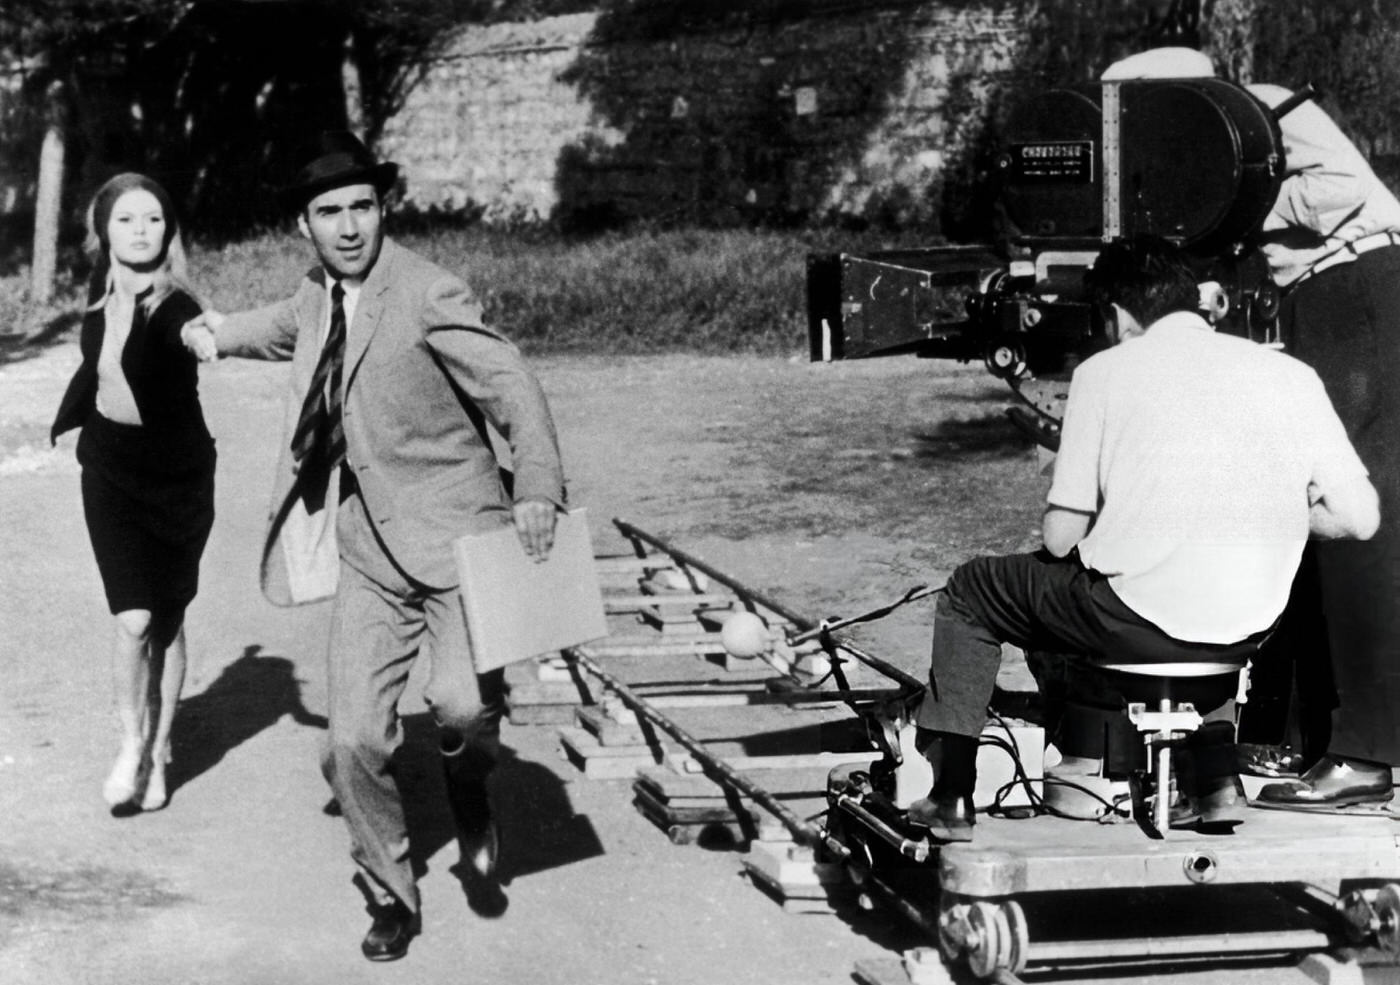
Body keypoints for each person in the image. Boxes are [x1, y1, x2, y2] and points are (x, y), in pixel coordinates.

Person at [180, 131, 566, 961]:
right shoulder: (319, 294)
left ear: (382, 208)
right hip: (369, 551)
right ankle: (392, 889)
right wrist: (213, 332)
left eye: (362, 207)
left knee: (461, 709)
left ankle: (468, 783)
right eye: (330, 213)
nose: (350, 226)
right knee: (352, 738)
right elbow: (285, 326)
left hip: (460, 538)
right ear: (303, 226)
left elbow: (511, 382)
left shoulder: (427, 291)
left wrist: (535, 485)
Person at [907, 236, 1379, 842]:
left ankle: (950, 795)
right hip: (1250, 627)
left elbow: (1059, 539)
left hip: (1136, 620)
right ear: (1197, 303)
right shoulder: (1290, 373)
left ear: (1118, 317)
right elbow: (1359, 518)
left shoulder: (1104, 372)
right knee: (1191, 588)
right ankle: (1213, 782)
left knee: (977, 588)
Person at [1101, 47, 1400, 805]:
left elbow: (1342, 190)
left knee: (1344, 514)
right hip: (1315, 301)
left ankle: (1364, 755)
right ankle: (1302, 736)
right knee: (1292, 511)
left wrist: (1242, 203)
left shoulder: (1259, 105)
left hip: (1359, 286)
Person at [51, 172, 216, 815]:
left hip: (177, 481)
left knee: (168, 621)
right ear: (104, 231)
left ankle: (160, 749)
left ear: (169, 230)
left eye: (153, 219)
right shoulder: (100, 291)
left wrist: (208, 338)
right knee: (133, 619)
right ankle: (131, 743)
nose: (141, 230)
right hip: (111, 472)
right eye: (126, 219)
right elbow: (96, 365)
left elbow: (194, 331)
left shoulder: (177, 304)